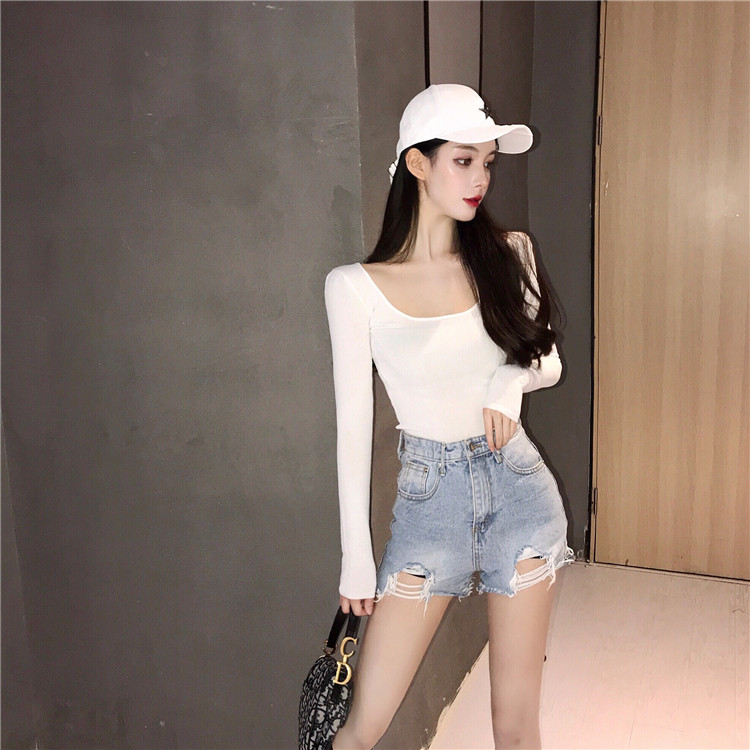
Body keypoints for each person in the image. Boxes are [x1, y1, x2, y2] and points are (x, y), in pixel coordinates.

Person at [323, 84, 573, 750]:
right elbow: (352, 429)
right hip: (429, 506)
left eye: (487, 162)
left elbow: (546, 360)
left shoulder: (509, 252)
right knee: (359, 731)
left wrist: (507, 383)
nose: (481, 179)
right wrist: (356, 558)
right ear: (417, 163)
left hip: (519, 494)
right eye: (464, 161)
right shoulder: (354, 288)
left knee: (515, 727)